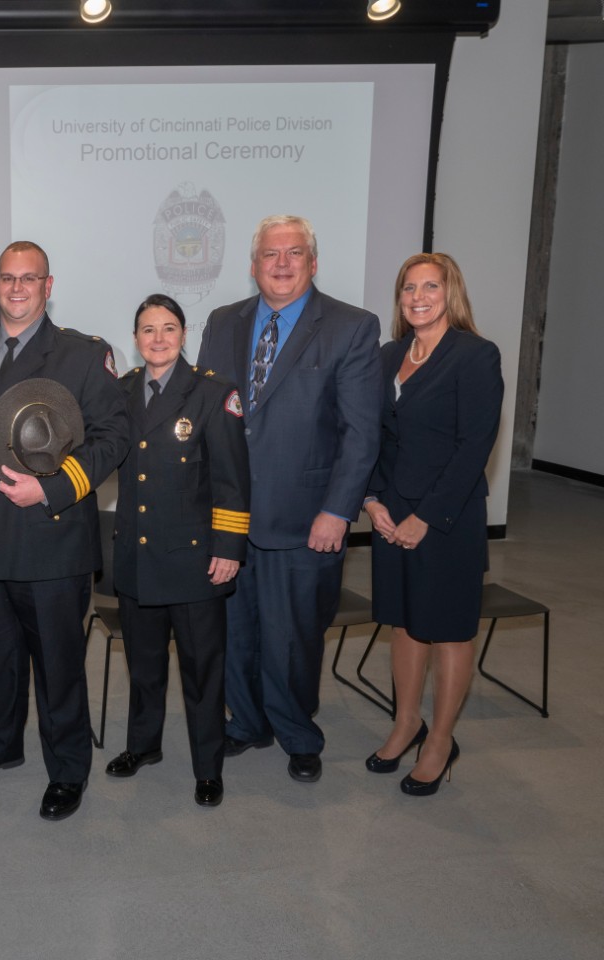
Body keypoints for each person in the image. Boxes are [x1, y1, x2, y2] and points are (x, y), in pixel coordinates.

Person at [0, 241, 128, 820]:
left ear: (48, 285)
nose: (17, 288)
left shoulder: (82, 355)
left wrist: (53, 487)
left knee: (59, 663)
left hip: (51, 538)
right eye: (7, 278)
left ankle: (68, 768)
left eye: (29, 278)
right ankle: (2, 742)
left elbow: (112, 437)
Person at [196, 215, 380, 784]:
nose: (281, 263)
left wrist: (338, 511)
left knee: (294, 636)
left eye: (294, 253)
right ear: (253, 266)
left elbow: (362, 433)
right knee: (235, 632)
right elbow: (207, 415)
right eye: (270, 254)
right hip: (228, 515)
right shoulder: (224, 322)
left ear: (313, 262)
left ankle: (299, 734)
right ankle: (247, 722)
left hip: (306, 519)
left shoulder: (351, 327)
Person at [362, 253, 502, 796]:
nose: (418, 297)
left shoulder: (475, 356)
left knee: (447, 629)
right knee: (404, 622)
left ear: (451, 292)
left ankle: (441, 739)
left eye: (430, 286)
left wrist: (427, 516)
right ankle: (406, 723)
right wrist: (373, 499)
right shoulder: (387, 355)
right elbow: (372, 434)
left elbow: (474, 447)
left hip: (448, 517)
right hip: (391, 512)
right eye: (408, 289)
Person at [107, 294, 250, 807]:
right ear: (136, 338)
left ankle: (208, 768)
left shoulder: (213, 393)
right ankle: (143, 746)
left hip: (195, 562)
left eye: (168, 328)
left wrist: (230, 547)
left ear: (184, 335)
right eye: (148, 330)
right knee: (144, 666)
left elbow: (233, 480)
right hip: (138, 558)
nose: (159, 338)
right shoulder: (120, 392)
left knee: (202, 672)